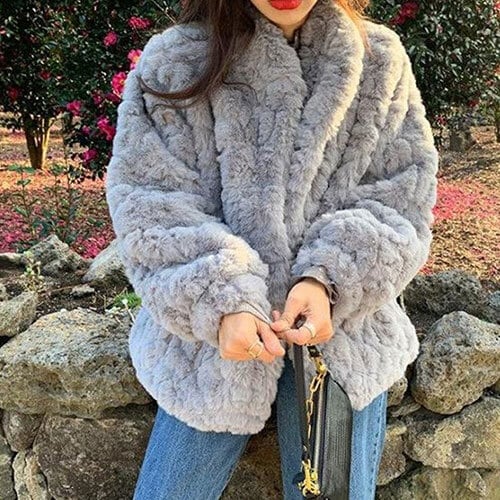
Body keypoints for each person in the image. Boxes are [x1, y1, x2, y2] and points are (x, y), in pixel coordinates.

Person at [104, 0, 439, 498]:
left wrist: (329, 278)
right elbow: (150, 203)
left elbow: (400, 197)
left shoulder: (378, 60)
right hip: (207, 350)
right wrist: (222, 299)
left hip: (345, 339)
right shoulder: (177, 60)